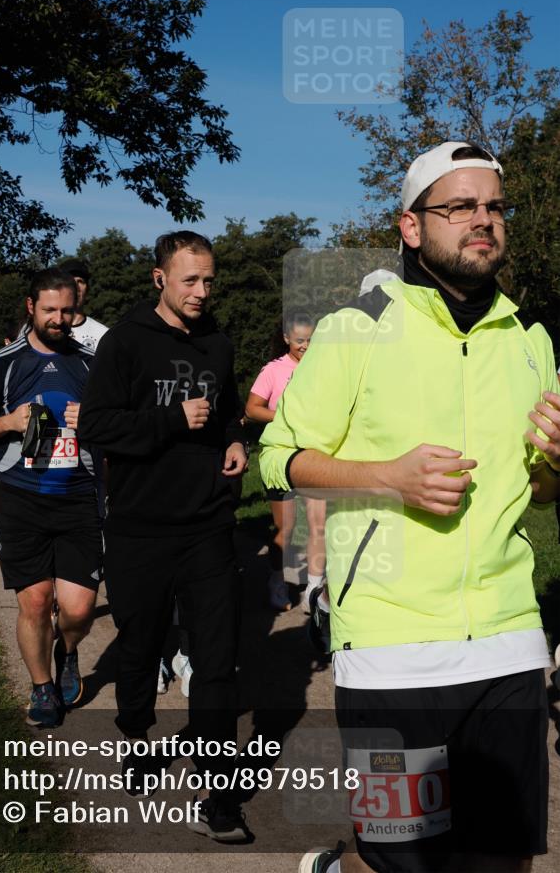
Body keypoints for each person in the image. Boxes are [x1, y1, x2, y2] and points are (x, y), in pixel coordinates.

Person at [260, 141, 560, 873]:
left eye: (493, 207)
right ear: (412, 226)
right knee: (402, 860)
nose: (481, 221)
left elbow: (541, 490)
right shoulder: (354, 328)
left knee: (502, 860)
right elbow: (280, 460)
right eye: (459, 207)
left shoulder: (531, 338)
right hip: (392, 649)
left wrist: (559, 464)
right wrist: (388, 478)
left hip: (508, 638)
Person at [78, 230, 251, 842]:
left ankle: (219, 788)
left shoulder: (219, 344)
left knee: (217, 657)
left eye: (209, 280)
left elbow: (231, 410)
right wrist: (171, 418)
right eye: (189, 280)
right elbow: (97, 427)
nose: (202, 292)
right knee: (140, 644)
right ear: (160, 279)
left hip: (207, 522)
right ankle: (136, 736)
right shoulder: (125, 344)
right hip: (139, 528)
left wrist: (234, 439)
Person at [0, 267, 103, 727]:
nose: (59, 319)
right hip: (20, 496)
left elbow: (118, 429)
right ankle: (42, 688)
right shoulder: (3, 363)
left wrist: (95, 423)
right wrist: (8, 423)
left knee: (80, 607)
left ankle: (67, 651)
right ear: (31, 307)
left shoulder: (90, 363)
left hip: (80, 496)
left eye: (67, 310)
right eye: (50, 310)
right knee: (36, 601)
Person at [245, 312, 327, 622]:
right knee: (287, 527)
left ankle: (314, 590)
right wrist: (284, 417)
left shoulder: (322, 369)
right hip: (280, 456)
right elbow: (252, 409)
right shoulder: (274, 370)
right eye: (300, 340)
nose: (306, 346)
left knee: (318, 523)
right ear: (286, 339)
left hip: (314, 454)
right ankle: (277, 580)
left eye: (311, 339)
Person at [59, 258, 109, 355]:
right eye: (70, 281)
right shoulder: (41, 330)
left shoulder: (103, 335)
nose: (75, 287)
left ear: (87, 289)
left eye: (80, 281)